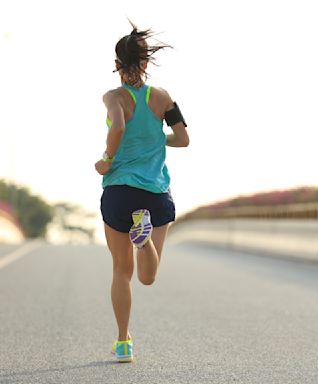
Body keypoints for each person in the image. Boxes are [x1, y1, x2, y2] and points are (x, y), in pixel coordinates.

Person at [95, 21, 189, 363]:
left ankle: (123, 343)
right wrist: (155, 139)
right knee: (148, 276)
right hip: (155, 194)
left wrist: (107, 159)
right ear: (147, 63)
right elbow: (183, 139)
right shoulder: (162, 98)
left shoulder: (113, 97)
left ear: (117, 64)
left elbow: (118, 125)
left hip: (120, 191)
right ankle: (144, 238)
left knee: (122, 271)